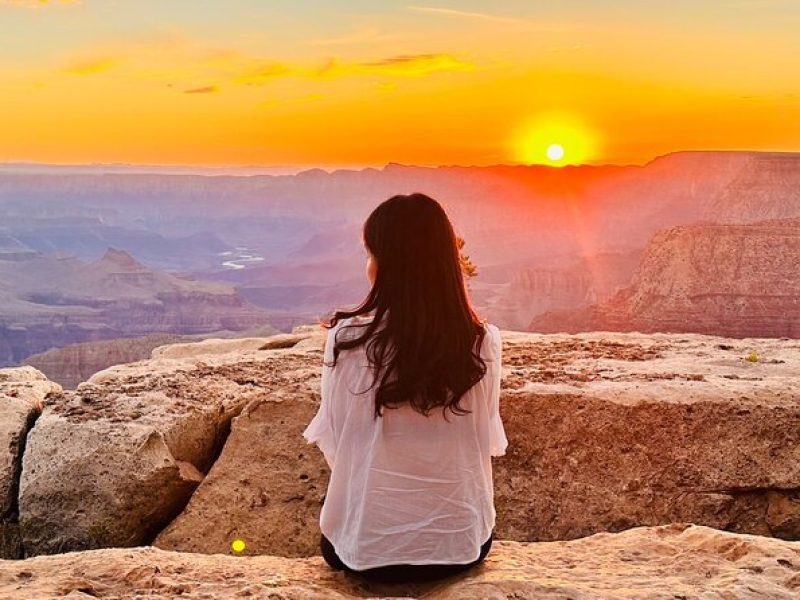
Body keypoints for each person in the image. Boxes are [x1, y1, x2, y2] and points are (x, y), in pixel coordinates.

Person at [302, 192, 508, 584]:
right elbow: (486, 441)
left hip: (364, 551)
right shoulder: (482, 341)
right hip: (459, 547)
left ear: (386, 263)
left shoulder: (346, 339)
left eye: (372, 253)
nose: (369, 264)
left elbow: (337, 440)